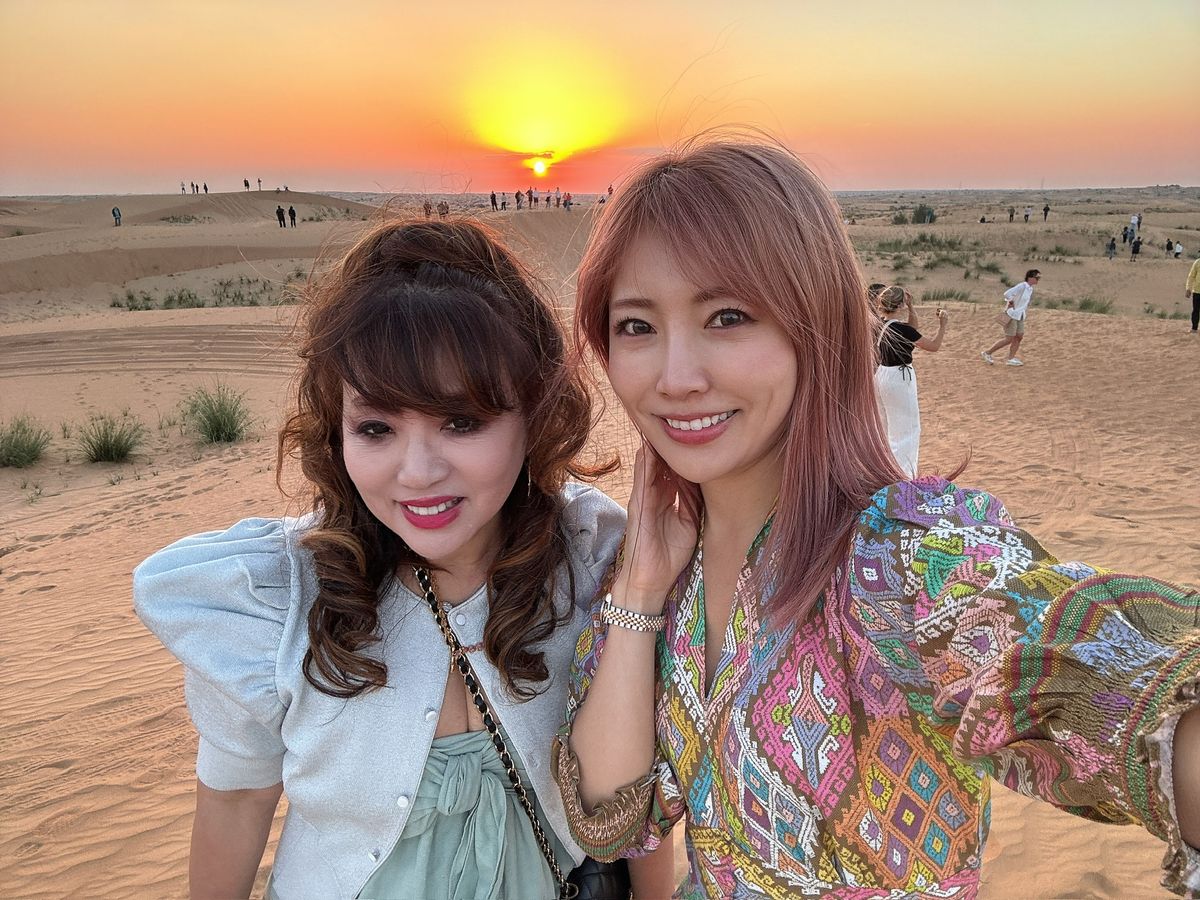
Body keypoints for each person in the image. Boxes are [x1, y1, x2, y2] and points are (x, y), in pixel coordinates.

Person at [552, 137, 1200, 899]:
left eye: (727, 317)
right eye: (637, 326)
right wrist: (638, 592)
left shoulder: (905, 556)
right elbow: (612, 820)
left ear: (814, 326)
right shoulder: (659, 569)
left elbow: (1112, 679)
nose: (676, 376)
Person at [134, 218, 673, 899]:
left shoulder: (593, 563)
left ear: (535, 414)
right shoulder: (273, 603)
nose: (417, 473)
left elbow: (637, 796)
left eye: (461, 422)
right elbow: (237, 801)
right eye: (376, 428)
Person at [872, 286, 948, 477]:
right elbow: (934, 346)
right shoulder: (903, 329)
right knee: (907, 429)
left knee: (886, 426)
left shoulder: (879, 324)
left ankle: (885, 470)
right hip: (899, 377)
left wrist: (911, 307)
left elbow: (912, 328)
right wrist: (943, 325)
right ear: (900, 305)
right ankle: (903, 475)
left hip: (881, 375)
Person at [981, 268, 1039, 366]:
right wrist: (1011, 302)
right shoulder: (1022, 286)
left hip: (1020, 315)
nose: (1038, 279)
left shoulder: (1030, 289)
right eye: (1037, 277)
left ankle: (1011, 358)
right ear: (1030, 277)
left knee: (1019, 336)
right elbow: (1007, 294)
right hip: (1012, 314)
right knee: (1009, 338)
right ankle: (987, 353)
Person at [1187, 252, 1200, 332]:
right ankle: (1194, 328)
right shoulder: (1197, 262)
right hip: (1197, 291)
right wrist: (1188, 288)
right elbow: (1191, 276)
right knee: (1196, 310)